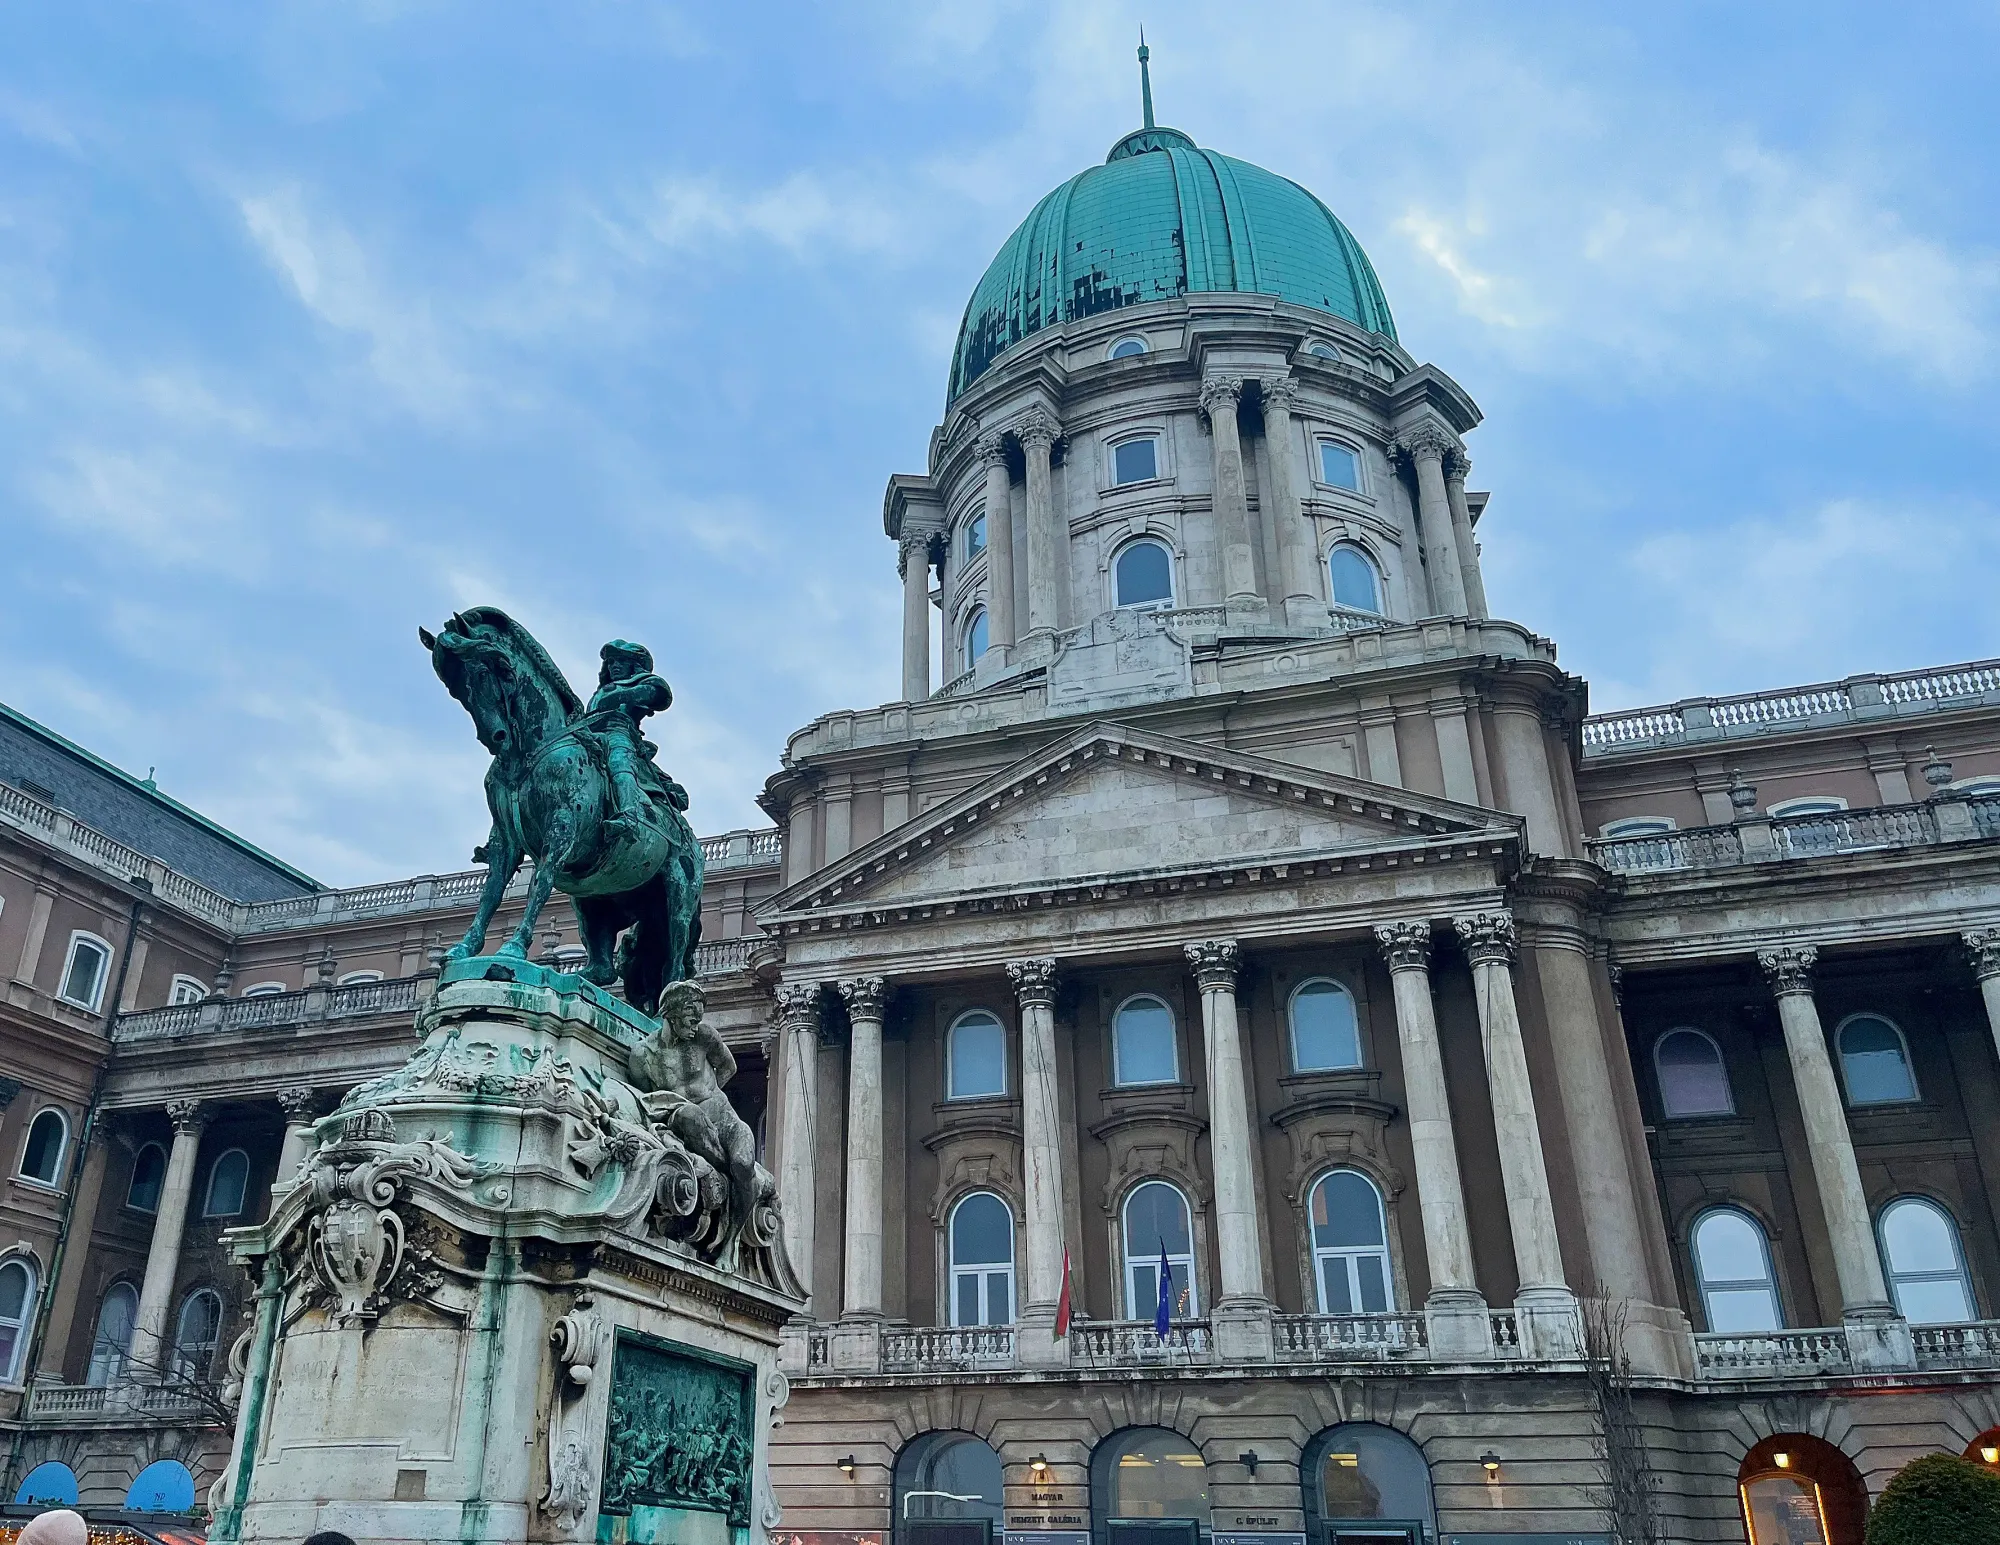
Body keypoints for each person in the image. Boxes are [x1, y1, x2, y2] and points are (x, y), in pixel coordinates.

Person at [585, 639, 685, 835]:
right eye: (611, 662)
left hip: (619, 730)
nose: (614, 666)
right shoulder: (603, 691)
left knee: (619, 760)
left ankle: (628, 815)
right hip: (588, 732)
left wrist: (624, 696)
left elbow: (658, 696)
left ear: (634, 664)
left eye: (620, 661)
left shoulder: (641, 683)